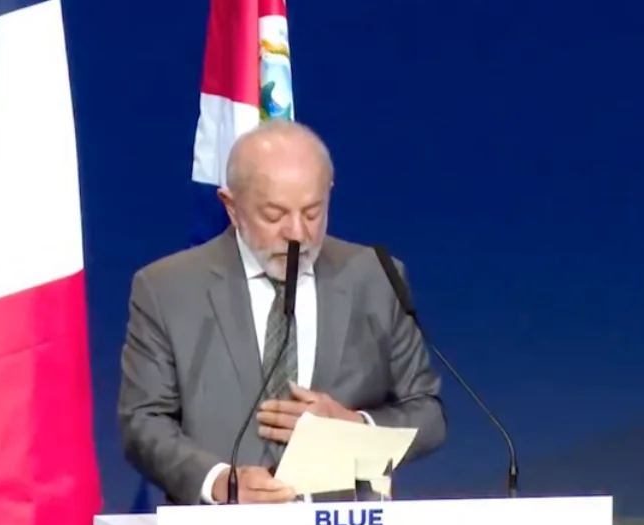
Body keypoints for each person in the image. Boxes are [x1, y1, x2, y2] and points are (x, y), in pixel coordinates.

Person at [118, 119, 446, 505]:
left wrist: (356, 425)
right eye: (274, 215)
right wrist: (220, 482)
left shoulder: (377, 278)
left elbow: (427, 414)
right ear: (232, 207)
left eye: (312, 213)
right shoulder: (168, 288)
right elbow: (143, 421)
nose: (297, 233)